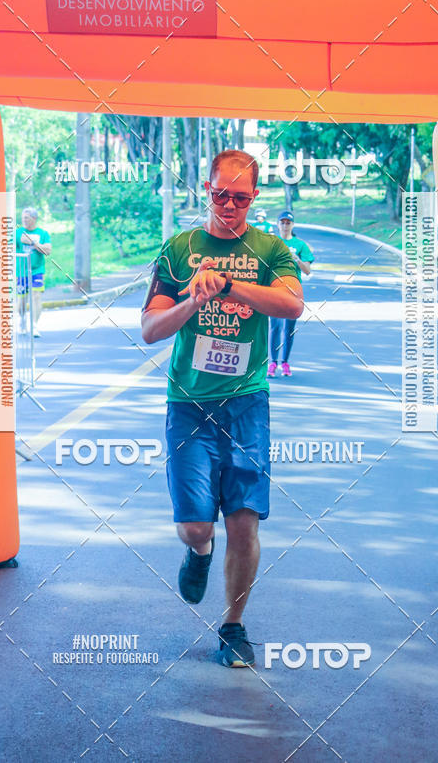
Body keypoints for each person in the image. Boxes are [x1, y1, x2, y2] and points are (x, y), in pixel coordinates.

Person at [141, 150, 303, 667]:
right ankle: (198, 551)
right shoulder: (179, 249)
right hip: (189, 404)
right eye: (219, 195)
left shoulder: (271, 249)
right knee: (196, 525)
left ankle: (233, 627)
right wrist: (193, 298)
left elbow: (293, 304)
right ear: (206, 190)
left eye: (240, 197)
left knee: (244, 521)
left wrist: (230, 285)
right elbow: (150, 330)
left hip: (247, 403)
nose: (229, 205)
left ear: (254, 198)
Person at [268, 211, 313, 378]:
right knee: (275, 326)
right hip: (275, 289)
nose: (285, 226)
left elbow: (307, 270)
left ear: (293, 225)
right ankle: (273, 362)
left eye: (288, 223)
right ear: (277, 224)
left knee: (289, 328)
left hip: (294, 290)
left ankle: (285, 362)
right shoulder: (272, 242)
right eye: (282, 222)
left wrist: (297, 260)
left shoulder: (300, 245)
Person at [15, 207, 51, 338]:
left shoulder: (43, 233)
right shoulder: (17, 233)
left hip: (37, 270)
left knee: (36, 296)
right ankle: (22, 319)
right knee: (21, 300)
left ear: (34, 219)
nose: (24, 220)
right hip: (21, 271)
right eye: (23, 218)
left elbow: (48, 251)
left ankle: (34, 325)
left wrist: (32, 242)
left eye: (27, 218)